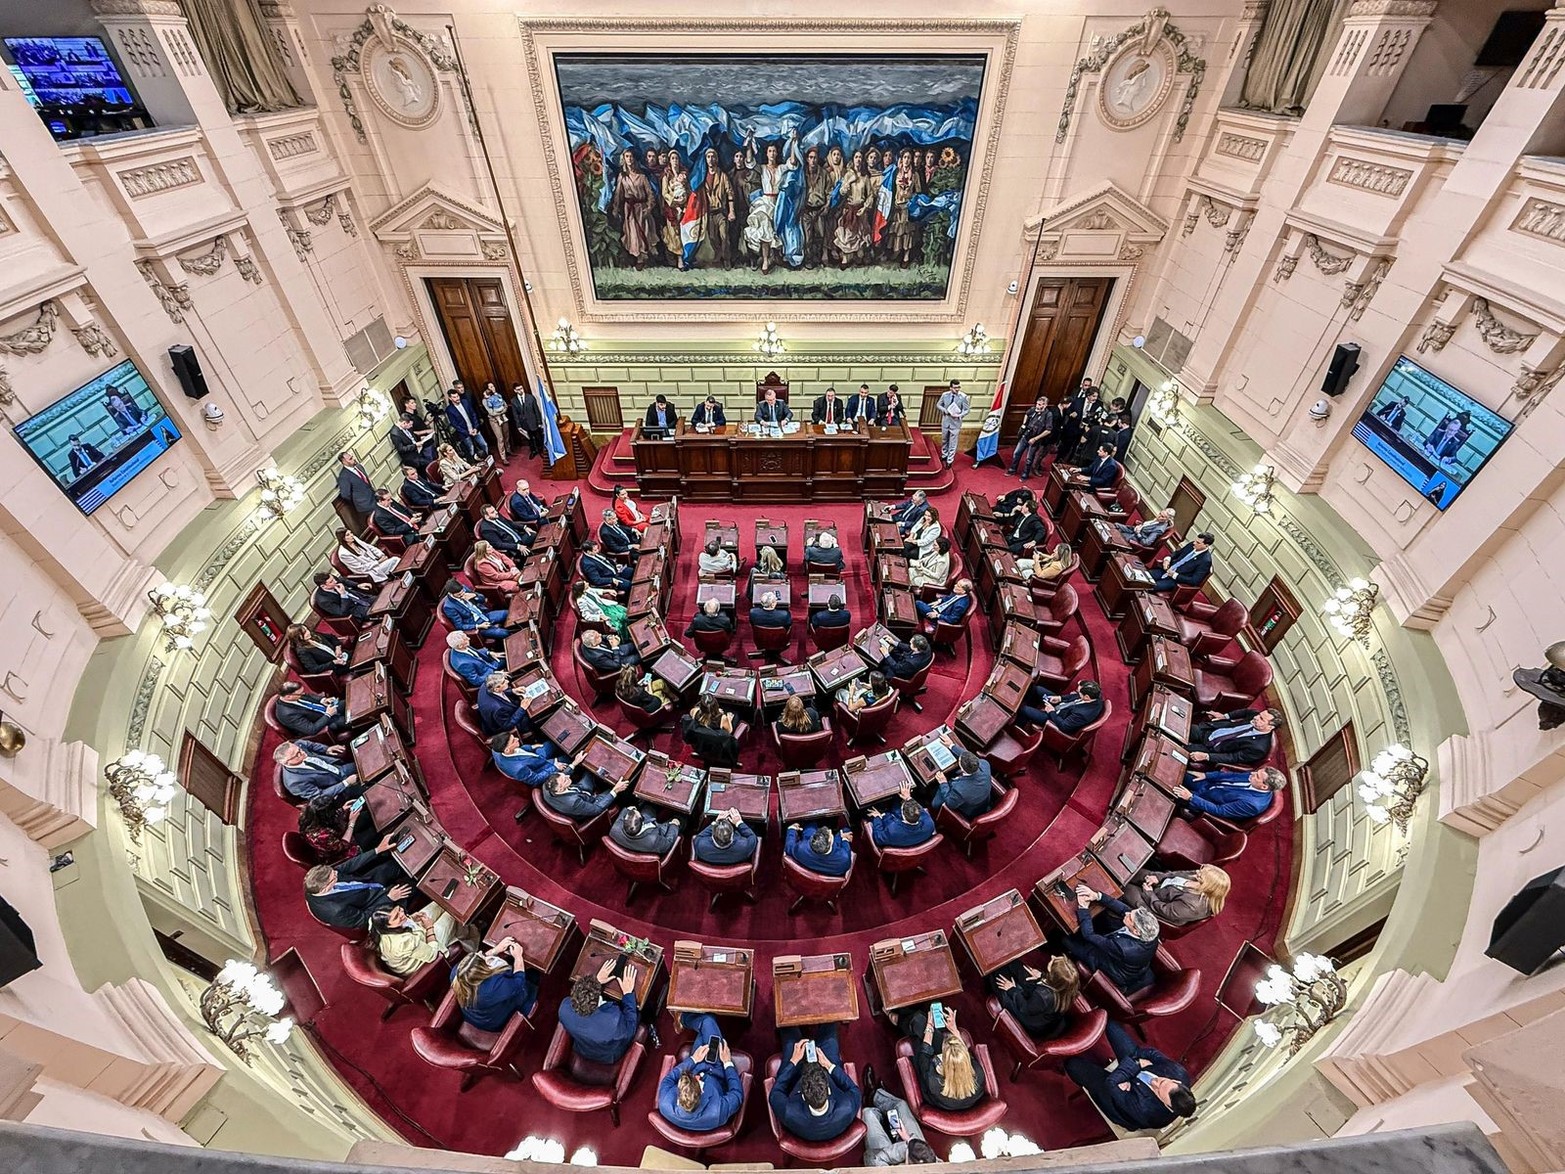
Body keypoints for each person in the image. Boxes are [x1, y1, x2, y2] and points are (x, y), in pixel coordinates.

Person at [1063, 1021, 1195, 1131]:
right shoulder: (1179, 1073)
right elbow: (1152, 1053)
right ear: (1176, 1081)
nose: (1155, 1081)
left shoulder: (1147, 1111)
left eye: (1158, 1090)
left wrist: (1136, 1066)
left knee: (1073, 1065)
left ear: (1167, 1106)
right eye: (1162, 1081)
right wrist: (1135, 1064)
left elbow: (1111, 1083)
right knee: (1110, 1025)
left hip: (1117, 1101)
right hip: (1134, 1065)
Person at [770, 1023, 861, 1142]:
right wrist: (829, 1066)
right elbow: (854, 1090)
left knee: (789, 1032)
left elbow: (775, 1093)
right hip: (826, 1068)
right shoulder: (847, 1107)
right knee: (830, 1032)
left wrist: (794, 1061)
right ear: (828, 1090)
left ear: (803, 1095)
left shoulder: (790, 1112)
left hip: (796, 1077)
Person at [1061, 884, 1160, 994]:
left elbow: (1089, 935)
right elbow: (1124, 909)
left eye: (1130, 917)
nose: (1127, 913)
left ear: (1136, 931)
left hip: (1112, 968)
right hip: (1129, 962)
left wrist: (1083, 908)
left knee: (1065, 938)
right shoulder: (1151, 932)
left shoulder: (1123, 948)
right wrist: (1097, 896)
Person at [657, 1014, 744, 1133]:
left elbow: (669, 1078)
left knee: (707, 1024)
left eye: (693, 1078)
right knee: (708, 1021)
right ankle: (683, 1018)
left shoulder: (665, 1102)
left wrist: (693, 1060)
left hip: (696, 1064)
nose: (698, 1077)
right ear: (701, 1093)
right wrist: (727, 1063)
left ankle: (683, 1020)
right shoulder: (717, 1112)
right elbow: (737, 1094)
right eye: (697, 1081)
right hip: (717, 1072)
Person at [303, 838, 413, 928]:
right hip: (373, 903)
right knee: (413, 887)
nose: (337, 872)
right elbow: (364, 919)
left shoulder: (321, 879)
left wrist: (377, 850)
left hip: (367, 884)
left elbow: (349, 865)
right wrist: (388, 898)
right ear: (325, 888)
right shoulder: (336, 911)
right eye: (334, 877)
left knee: (396, 863)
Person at [897, 1004, 984, 1113]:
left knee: (918, 1030)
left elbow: (924, 1054)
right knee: (919, 1021)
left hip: (932, 1093)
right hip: (953, 1087)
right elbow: (961, 1052)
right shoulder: (978, 1073)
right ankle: (905, 1016)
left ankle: (897, 1018)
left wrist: (929, 1026)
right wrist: (954, 1029)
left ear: (943, 1059)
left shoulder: (934, 1082)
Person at [559, 955, 642, 1064]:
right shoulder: (613, 1022)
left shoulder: (564, 1008)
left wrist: (596, 981)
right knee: (638, 1013)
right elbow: (630, 1030)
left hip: (584, 1048)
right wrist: (628, 993)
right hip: (607, 1055)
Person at [989, 955, 1081, 1040]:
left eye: (1053, 961)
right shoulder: (1068, 988)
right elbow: (1054, 984)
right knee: (1017, 966)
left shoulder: (1043, 996)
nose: (1052, 956)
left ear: (1052, 975)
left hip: (1028, 1016)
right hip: (1040, 1005)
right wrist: (1042, 976)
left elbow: (1025, 1007)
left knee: (1000, 979)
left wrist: (1012, 989)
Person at [452, 939, 537, 1031]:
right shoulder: (491, 988)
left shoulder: (457, 973)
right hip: (493, 1021)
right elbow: (518, 983)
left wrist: (496, 949)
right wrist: (518, 956)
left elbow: (477, 963)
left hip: (477, 1014)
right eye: (483, 957)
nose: (481, 952)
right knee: (532, 979)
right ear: (482, 972)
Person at [368, 905, 462, 977]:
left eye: (399, 909)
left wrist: (411, 918)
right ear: (387, 927)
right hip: (425, 955)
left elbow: (401, 919)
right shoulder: (402, 943)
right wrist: (429, 928)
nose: (402, 914)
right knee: (452, 911)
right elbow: (433, 954)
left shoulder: (376, 923)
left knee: (439, 903)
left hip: (416, 935)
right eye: (396, 917)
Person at [1123, 864, 1230, 927]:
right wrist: (1159, 877)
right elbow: (1177, 874)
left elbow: (1165, 910)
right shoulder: (1200, 875)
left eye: (1200, 875)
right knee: (1130, 870)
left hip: (1156, 907)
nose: (1197, 872)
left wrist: (1149, 893)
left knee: (1125, 888)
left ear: (1207, 886)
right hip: (1161, 888)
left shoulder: (1193, 906)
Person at [860, 1084, 937, 1166]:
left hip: (885, 1160)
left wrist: (903, 1148)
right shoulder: (937, 1165)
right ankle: (874, 1095)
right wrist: (909, 1140)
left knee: (868, 1113)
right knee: (901, 1105)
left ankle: (878, 1114)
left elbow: (872, 1157)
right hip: (909, 1152)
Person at [1173, 766, 1287, 820]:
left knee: (1170, 790)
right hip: (1208, 784)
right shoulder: (1253, 777)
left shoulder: (1252, 804)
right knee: (1176, 770)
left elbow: (1219, 810)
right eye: (1256, 772)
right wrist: (1206, 775)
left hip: (1204, 801)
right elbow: (1231, 775)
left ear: (1264, 786)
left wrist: (1191, 798)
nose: (1252, 773)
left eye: (1257, 776)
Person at [297, 790, 376, 862]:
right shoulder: (321, 836)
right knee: (373, 832)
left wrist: (343, 809)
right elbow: (343, 845)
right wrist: (352, 822)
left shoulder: (311, 815)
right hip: (341, 851)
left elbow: (332, 816)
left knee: (366, 816)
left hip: (339, 832)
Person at [1187, 708, 1281, 767]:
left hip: (1213, 750)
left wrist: (1206, 756)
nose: (1256, 717)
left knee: (1184, 750)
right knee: (1184, 728)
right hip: (1209, 732)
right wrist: (1225, 716)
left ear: (1270, 727)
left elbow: (1233, 757)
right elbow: (1245, 711)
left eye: (1261, 719)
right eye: (1259, 715)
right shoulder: (1254, 716)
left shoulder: (1259, 748)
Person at [274, 739, 356, 802]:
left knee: (362, 761)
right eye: (297, 755)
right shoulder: (294, 783)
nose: (302, 752)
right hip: (338, 788)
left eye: (299, 750)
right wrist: (346, 783)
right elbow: (319, 796)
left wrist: (326, 749)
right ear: (286, 762)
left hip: (339, 769)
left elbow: (312, 745)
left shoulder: (298, 745)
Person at [541, 766, 629, 822]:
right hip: (592, 803)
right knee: (615, 789)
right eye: (565, 780)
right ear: (560, 789)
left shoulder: (547, 786)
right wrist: (615, 790)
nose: (568, 776)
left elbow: (561, 776)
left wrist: (574, 764)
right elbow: (597, 809)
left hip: (580, 790)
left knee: (591, 769)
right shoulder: (574, 803)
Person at [1018, 678, 1103, 732]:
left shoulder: (1082, 714)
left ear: (1087, 697)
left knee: (1023, 710)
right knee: (1037, 689)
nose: (1077, 691)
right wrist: (1060, 698)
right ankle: (1032, 707)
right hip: (1062, 706)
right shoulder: (1095, 695)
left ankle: (1019, 728)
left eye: (1079, 692)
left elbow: (1064, 726)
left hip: (1056, 718)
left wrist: (1051, 711)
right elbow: (1075, 696)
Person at [682, 695, 742, 766]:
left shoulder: (694, 711)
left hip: (700, 745)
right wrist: (729, 718)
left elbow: (704, 717)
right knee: (735, 715)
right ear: (716, 705)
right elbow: (729, 732)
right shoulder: (723, 718)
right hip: (716, 748)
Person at [442, 578, 510, 641]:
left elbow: (482, 599)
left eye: (462, 592)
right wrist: (479, 626)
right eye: (459, 594)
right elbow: (460, 626)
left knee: (510, 613)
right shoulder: (449, 607)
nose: (462, 594)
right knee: (504, 633)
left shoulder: (464, 589)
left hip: (484, 614)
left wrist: (474, 595)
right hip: (476, 623)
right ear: (451, 594)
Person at [273, 680, 347, 739]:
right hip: (325, 722)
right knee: (349, 719)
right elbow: (311, 729)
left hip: (327, 709)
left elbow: (309, 696)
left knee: (349, 702)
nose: (303, 694)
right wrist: (328, 714)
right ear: (288, 696)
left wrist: (323, 700)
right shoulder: (287, 714)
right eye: (301, 693)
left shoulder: (295, 695)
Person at [930, 750, 991, 819]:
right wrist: (952, 746)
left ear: (962, 769)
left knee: (935, 803)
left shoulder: (960, 790)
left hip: (969, 810)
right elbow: (968, 757)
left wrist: (943, 783)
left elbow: (950, 803)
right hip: (981, 801)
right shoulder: (984, 764)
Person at [491, 730, 565, 787]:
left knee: (554, 741)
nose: (517, 739)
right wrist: (554, 767)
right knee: (565, 758)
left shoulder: (495, 750)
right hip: (542, 768)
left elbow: (519, 750)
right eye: (513, 741)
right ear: (507, 750)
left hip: (535, 757)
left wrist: (531, 747)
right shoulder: (519, 769)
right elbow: (536, 780)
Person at [1008, 396, 1058, 479]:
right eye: (1037, 404)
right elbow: (1026, 414)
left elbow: (1048, 430)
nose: (1038, 406)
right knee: (1017, 453)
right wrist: (1024, 424)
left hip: (1035, 439)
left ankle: (1025, 474)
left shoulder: (1048, 415)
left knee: (1029, 458)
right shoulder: (1032, 410)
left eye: (1040, 405)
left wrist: (1035, 439)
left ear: (1045, 405)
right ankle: (1012, 469)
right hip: (1026, 435)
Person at [868, 788, 936, 849]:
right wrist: (908, 798)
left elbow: (878, 838)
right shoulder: (930, 824)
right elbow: (921, 811)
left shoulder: (892, 830)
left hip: (898, 835)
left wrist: (877, 817)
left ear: (902, 814)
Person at [609, 804, 681, 857]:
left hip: (640, 841)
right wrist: (674, 825)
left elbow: (622, 816)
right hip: (657, 832)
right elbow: (668, 843)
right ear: (643, 822)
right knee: (680, 818)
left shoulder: (615, 829)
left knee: (648, 807)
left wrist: (628, 810)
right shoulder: (654, 840)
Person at [693, 808, 758, 865]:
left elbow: (700, 836)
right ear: (732, 835)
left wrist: (715, 822)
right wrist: (739, 823)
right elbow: (752, 837)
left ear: (712, 836)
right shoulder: (745, 847)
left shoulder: (700, 845)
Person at [785, 822, 852, 877]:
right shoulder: (844, 859)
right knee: (846, 830)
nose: (829, 830)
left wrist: (791, 829)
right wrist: (845, 839)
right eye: (830, 833)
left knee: (810, 825)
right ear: (831, 841)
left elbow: (788, 847)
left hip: (807, 857)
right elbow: (846, 849)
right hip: (831, 868)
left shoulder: (800, 849)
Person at [335, 529, 399, 583]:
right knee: (395, 560)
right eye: (348, 535)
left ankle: (398, 577)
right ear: (343, 538)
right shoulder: (344, 554)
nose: (352, 535)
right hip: (370, 571)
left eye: (351, 533)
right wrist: (378, 562)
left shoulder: (354, 539)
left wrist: (381, 555)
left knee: (395, 562)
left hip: (376, 562)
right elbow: (360, 568)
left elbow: (369, 547)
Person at [477, 672, 529, 736]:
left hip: (505, 710)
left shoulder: (486, 685)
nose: (507, 681)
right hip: (504, 726)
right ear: (497, 688)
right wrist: (522, 708)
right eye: (504, 682)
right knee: (531, 714)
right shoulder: (497, 708)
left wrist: (513, 691)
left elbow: (498, 692)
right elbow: (507, 725)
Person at [445, 386, 489, 462]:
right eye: (454, 397)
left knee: (484, 444)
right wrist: (467, 432)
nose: (457, 398)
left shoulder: (465, 402)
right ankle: (474, 463)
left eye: (457, 396)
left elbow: (473, 414)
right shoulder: (449, 410)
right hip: (464, 433)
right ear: (450, 398)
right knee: (471, 449)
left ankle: (486, 460)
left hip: (474, 429)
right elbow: (455, 424)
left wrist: (475, 428)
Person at [936, 379, 969, 466]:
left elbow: (966, 410)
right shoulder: (945, 395)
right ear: (950, 388)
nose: (957, 389)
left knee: (953, 442)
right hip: (946, 421)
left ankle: (950, 460)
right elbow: (938, 405)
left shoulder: (963, 397)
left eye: (958, 387)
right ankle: (944, 455)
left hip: (956, 422)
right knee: (944, 439)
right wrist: (944, 410)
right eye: (955, 388)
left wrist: (959, 415)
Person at [335, 452, 376, 521]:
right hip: (365, 506)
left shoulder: (359, 467)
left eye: (352, 457)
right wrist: (358, 499)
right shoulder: (344, 476)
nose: (353, 459)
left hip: (374, 498)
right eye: (350, 459)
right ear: (344, 462)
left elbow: (367, 482)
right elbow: (345, 495)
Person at [509, 382, 545, 460]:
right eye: (518, 389)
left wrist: (539, 422)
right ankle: (533, 450)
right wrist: (518, 425)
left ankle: (541, 449)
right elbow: (515, 415)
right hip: (524, 423)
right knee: (530, 438)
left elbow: (536, 410)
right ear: (515, 390)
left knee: (538, 437)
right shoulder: (513, 401)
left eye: (521, 388)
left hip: (533, 421)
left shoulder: (530, 398)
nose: (521, 391)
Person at [481, 384, 512, 463]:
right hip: (494, 421)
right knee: (500, 438)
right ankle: (503, 457)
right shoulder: (485, 400)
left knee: (506, 435)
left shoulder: (497, 395)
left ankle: (508, 450)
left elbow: (505, 405)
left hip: (503, 418)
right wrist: (501, 412)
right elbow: (491, 412)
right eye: (491, 387)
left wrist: (503, 410)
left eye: (493, 386)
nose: (493, 388)